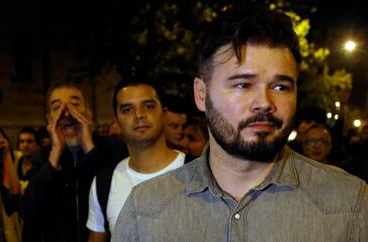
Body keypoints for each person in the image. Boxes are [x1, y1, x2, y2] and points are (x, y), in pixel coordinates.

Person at [113, 7, 368, 241]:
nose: (264, 103)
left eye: (281, 86)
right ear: (201, 94)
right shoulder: (144, 211)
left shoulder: (349, 203)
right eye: (243, 85)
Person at [20, 81, 127, 242]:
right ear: (49, 120)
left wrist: (89, 148)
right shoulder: (43, 158)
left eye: (74, 105)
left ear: (88, 113)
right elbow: (28, 211)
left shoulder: (114, 148)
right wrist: (55, 154)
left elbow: (118, 203)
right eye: (57, 108)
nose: (67, 113)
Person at [87, 79, 187, 242]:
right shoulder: (104, 183)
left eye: (148, 106)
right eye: (127, 109)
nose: (139, 115)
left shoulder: (200, 172)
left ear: (164, 114)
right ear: (117, 122)